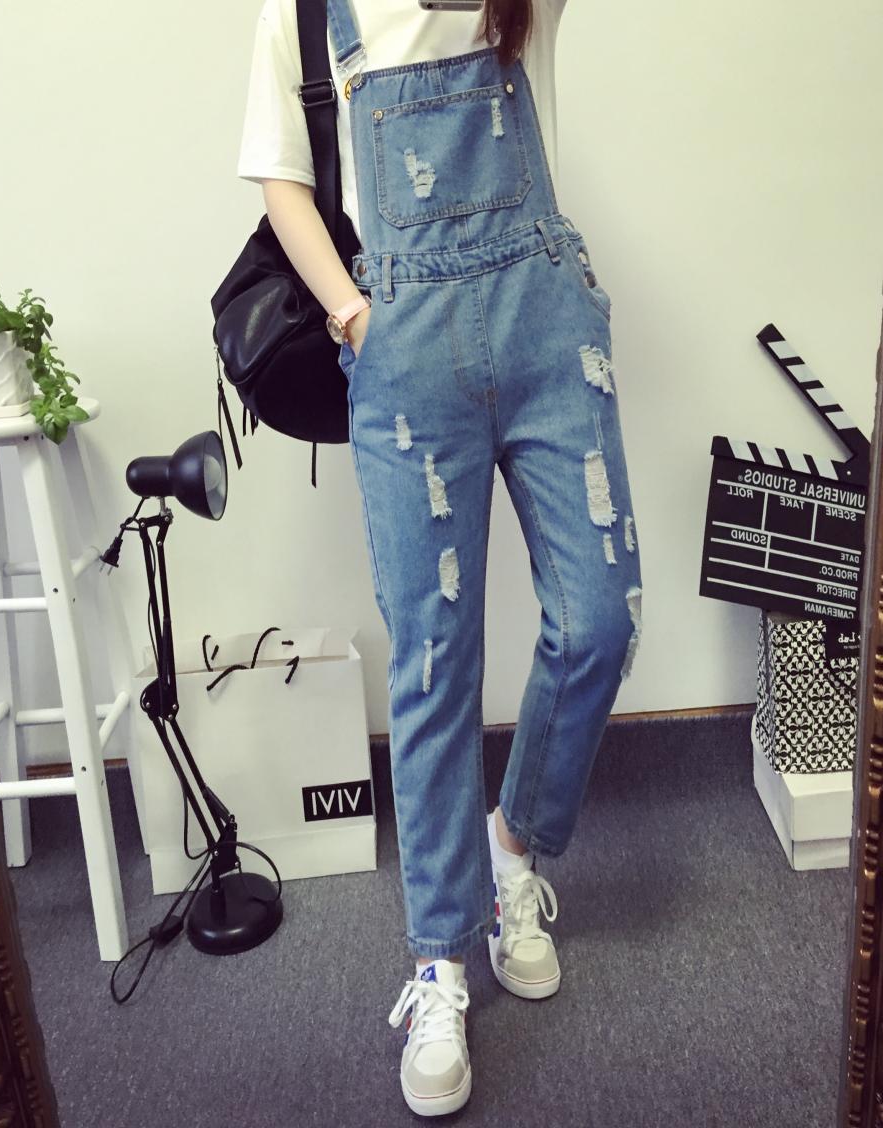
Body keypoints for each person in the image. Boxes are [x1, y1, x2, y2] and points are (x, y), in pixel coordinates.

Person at [238, 0, 642, 1115]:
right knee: (431, 659)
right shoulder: (309, 10)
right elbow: (279, 175)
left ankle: (512, 848)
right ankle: (438, 962)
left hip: (546, 331)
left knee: (601, 618)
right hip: (403, 347)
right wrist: (354, 316)